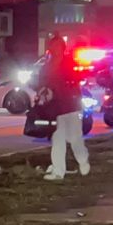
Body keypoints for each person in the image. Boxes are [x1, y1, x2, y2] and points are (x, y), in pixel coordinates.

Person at [37, 34, 89, 180]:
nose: (55, 49)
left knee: (75, 137)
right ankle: (58, 171)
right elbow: (41, 84)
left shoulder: (69, 63)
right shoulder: (46, 67)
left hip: (71, 106)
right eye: (53, 46)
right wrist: (43, 93)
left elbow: (77, 79)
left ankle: (83, 160)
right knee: (58, 137)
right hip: (56, 108)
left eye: (58, 46)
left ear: (62, 48)